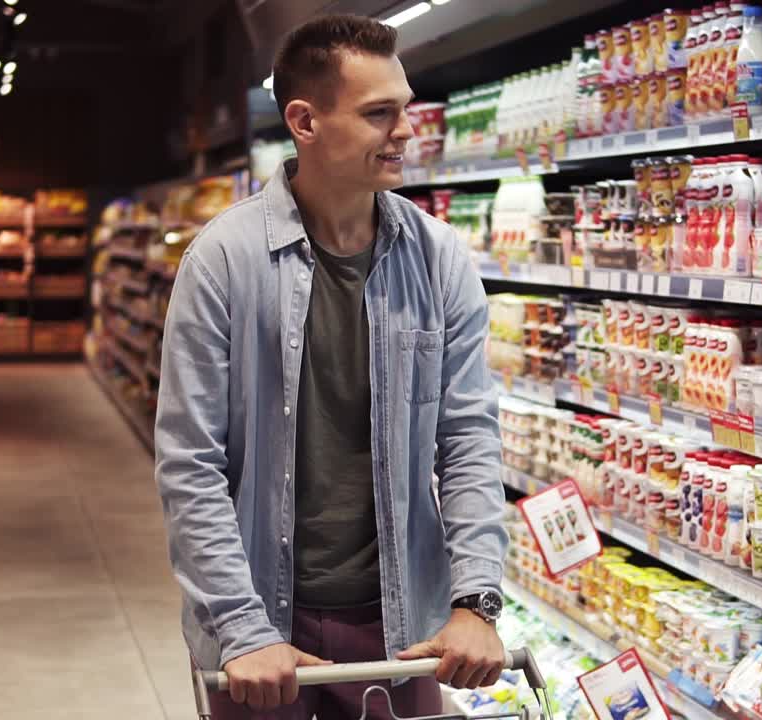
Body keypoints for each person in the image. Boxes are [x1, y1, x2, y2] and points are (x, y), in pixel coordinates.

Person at [154, 13, 508, 719]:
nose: (406, 130)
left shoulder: (438, 260)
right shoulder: (223, 261)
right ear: (304, 122)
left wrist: (476, 601)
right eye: (380, 113)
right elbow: (190, 462)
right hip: (262, 624)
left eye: (405, 109)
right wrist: (242, 627)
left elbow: (467, 438)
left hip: (405, 623)